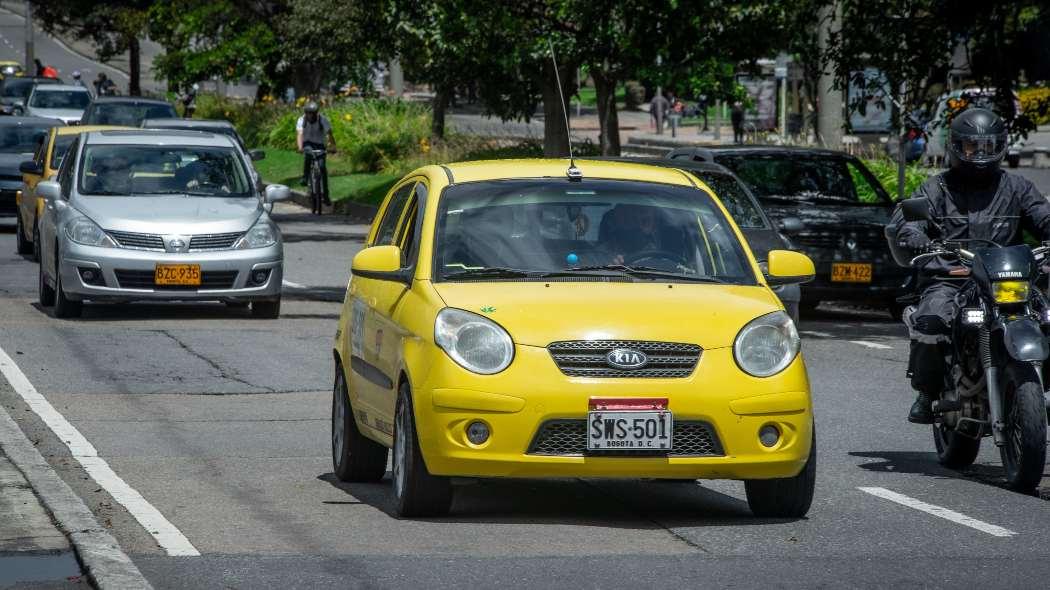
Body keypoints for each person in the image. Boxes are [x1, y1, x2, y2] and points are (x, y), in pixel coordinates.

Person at [894, 108, 1050, 424]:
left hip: (1006, 279)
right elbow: (908, 223)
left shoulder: (1017, 187)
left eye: (988, 147)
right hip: (951, 275)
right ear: (956, 147)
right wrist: (916, 236)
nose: (980, 154)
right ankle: (927, 392)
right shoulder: (937, 188)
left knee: (1045, 317)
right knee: (932, 321)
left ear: (1001, 147)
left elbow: (1043, 216)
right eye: (971, 147)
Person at [296, 101, 338, 206]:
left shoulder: (322, 120)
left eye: (313, 113)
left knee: (322, 167)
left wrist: (332, 146)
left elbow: (329, 134)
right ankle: (305, 177)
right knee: (308, 155)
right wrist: (300, 147)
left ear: (316, 113)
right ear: (305, 113)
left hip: (319, 145)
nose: (311, 115)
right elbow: (300, 134)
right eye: (309, 113)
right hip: (307, 143)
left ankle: (326, 195)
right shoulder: (302, 120)